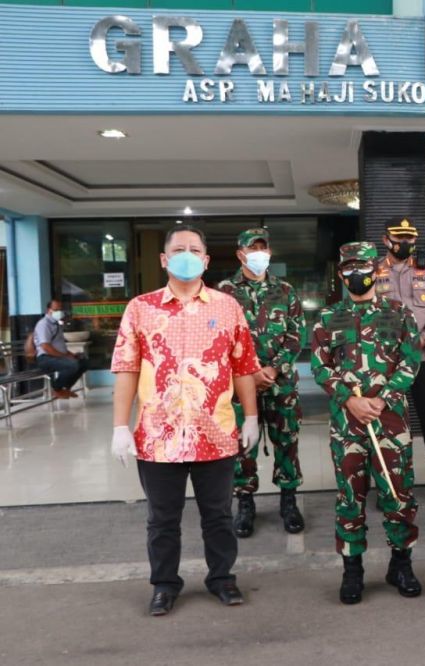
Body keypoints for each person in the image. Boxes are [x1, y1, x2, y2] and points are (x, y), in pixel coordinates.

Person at [109, 225, 261, 617]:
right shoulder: (140, 308)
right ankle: (164, 585)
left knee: (219, 515)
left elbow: (243, 366)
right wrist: (120, 426)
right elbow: (126, 369)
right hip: (158, 437)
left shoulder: (227, 307)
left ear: (206, 260)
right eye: (179, 249)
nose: (187, 255)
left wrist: (251, 417)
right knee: (162, 520)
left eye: (195, 249)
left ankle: (222, 578)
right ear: (164, 259)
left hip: (216, 432)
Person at [311, 241, 423, 605]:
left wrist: (382, 399)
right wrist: (350, 399)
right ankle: (352, 570)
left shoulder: (398, 313)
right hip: (347, 426)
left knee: (397, 493)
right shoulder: (329, 317)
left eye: (363, 267)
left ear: (376, 271)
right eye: (349, 268)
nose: (356, 274)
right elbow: (320, 366)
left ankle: (401, 565)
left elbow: (411, 361)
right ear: (341, 273)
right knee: (350, 497)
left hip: (390, 423)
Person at [217, 228, 305, 538]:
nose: (258, 253)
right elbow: (220, 339)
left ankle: (288, 501)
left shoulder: (285, 290)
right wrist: (250, 372)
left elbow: (297, 334)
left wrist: (274, 369)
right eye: (251, 248)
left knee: (287, 442)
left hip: (282, 384)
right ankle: (245, 504)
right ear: (240, 254)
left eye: (262, 248)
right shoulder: (223, 292)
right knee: (243, 445)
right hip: (240, 385)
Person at [374, 217, 425, 505]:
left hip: (424, 357)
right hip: (387, 360)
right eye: (399, 238)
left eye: (410, 238)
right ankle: (391, 482)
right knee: (388, 421)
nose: (405, 243)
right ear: (386, 240)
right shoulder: (374, 270)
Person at [33, 299, 86, 399]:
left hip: (57, 356)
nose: (59, 312)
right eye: (56, 309)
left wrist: (70, 354)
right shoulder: (44, 324)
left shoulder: (57, 324)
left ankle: (65, 388)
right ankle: (57, 389)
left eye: (60, 309)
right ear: (49, 310)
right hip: (45, 358)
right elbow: (46, 347)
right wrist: (65, 356)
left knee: (83, 362)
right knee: (72, 365)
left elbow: (60, 346)